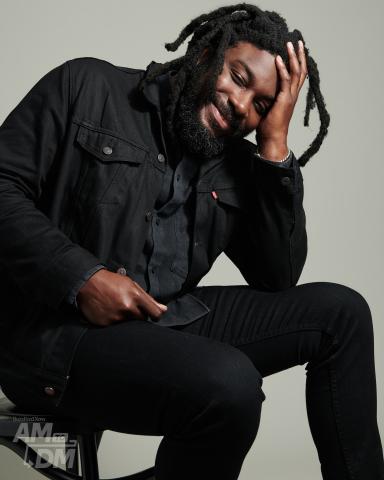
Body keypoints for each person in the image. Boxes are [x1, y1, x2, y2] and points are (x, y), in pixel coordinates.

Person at [0, 3, 382, 479]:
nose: (242, 107)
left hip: (165, 318)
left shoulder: (235, 162)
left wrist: (275, 147)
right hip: (56, 334)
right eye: (239, 79)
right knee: (231, 384)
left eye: (261, 104)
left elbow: (277, 276)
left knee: (343, 314)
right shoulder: (88, 86)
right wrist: (82, 277)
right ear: (205, 54)